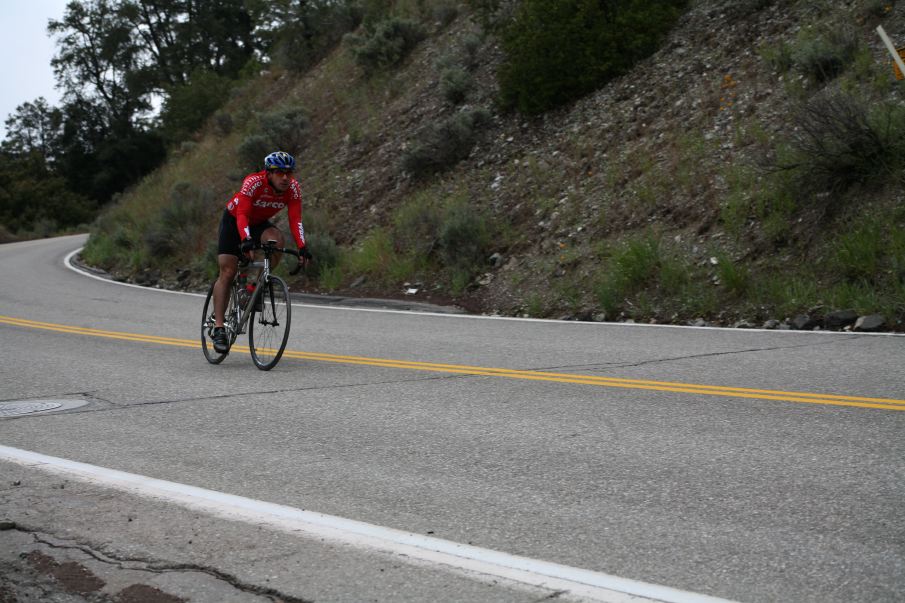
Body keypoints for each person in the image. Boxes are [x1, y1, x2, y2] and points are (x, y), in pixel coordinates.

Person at [211, 151, 312, 353]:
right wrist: (246, 240)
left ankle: (254, 288)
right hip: (234, 221)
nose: (285, 177)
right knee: (228, 271)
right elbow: (242, 214)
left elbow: (295, 220)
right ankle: (219, 327)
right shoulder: (253, 182)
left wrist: (302, 247)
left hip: (258, 224)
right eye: (279, 172)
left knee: (276, 239)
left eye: (289, 173)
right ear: (269, 173)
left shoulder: (293, 189)